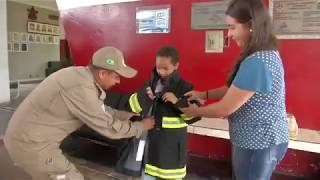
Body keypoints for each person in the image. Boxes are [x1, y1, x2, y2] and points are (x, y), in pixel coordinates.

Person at [4, 46, 155, 180]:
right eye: (116, 76)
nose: (118, 81)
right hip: (31, 145)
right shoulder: (81, 88)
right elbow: (110, 128)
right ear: (102, 74)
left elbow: (100, 109)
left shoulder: (80, 76)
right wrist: (141, 126)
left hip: (31, 139)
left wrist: (124, 115)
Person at [180, 0, 289, 180]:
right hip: (261, 138)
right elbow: (234, 90)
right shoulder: (264, 53)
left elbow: (224, 108)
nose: (229, 34)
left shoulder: (258, 61)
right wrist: (203, 94)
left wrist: (192, 111)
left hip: (258, 142)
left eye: (232, 27)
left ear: (251, 26)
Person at [122, 46, 200, 180]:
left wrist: (176, 101)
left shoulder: (184, 87)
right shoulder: (150, 84)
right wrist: (145, 97)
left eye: (166, 68)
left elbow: (195, 116)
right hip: (150, 144)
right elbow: (131, 106)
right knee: (147, 175)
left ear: (176, 66)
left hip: (172, 147)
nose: (161, 72)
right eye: (158, 67)